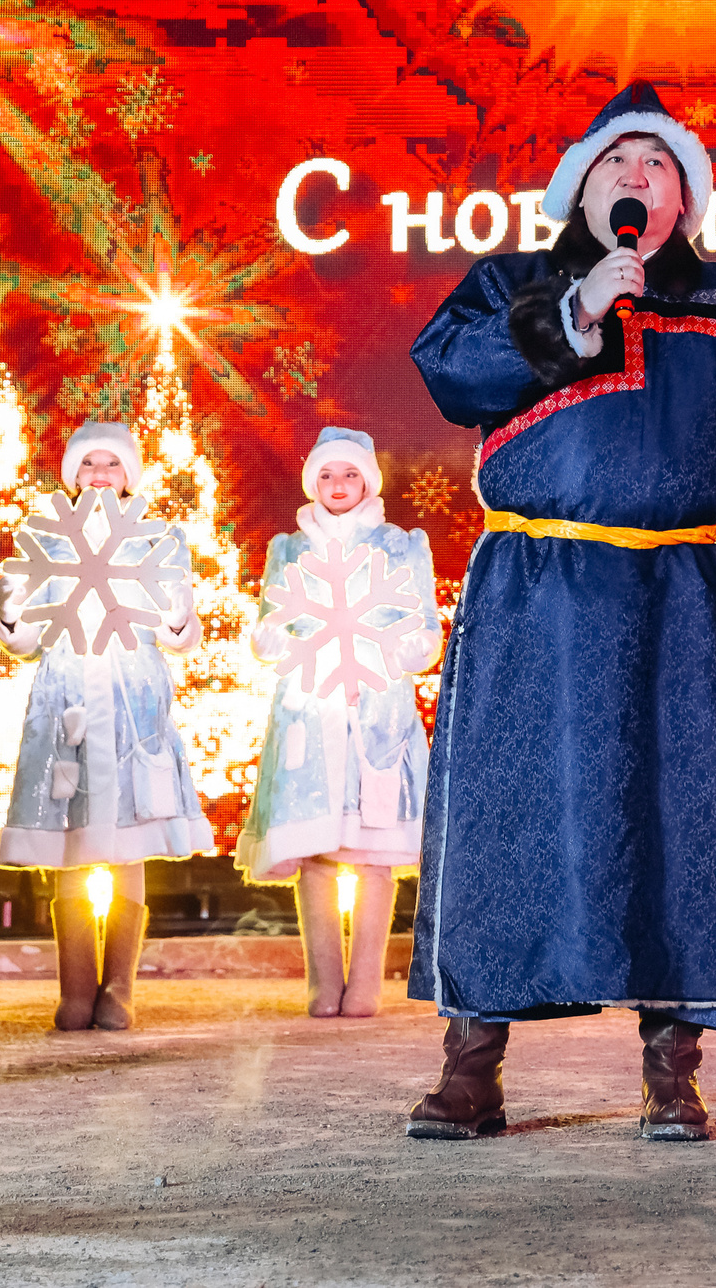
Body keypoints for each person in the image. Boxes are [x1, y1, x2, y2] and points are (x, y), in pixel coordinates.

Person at [406, 81, 716, 1142]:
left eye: (657, 167)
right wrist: (575, 313)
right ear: (582, 186)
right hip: (535, 594)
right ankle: (471, 1070)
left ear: (684, 198)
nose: (636, 179)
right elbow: (450, 375)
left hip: (673, 601)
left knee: (680, 826)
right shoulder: (511, 281)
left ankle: (672, 1072)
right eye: (618, 164)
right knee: (504, 817)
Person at [0, 423, 212, 1033]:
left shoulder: (157, 541)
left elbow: (179, 630)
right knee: (69, 843)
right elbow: (27, 638)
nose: (99, 474)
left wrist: (176, 616)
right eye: (88, 464)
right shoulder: (43, 539)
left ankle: (118, 989)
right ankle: (74, 989)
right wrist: (10, 613)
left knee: (127, 844)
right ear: (72, 473)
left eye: (111, 464)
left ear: (129, 475)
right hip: (67, 702)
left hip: (131, 700)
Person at [238, 427, 441, 1019]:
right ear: (312, 483)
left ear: (369, 480)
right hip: (311, 708)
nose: (338, 486)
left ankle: (367, 982)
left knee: (374, 853)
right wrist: (269, 640)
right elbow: (269, 622)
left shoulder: (402, 546)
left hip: (376, 708)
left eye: (350, 474)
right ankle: (322, 981)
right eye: (326, 475)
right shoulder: (289, 550)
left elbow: (423, 621)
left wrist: (415, 649)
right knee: (317, 851)